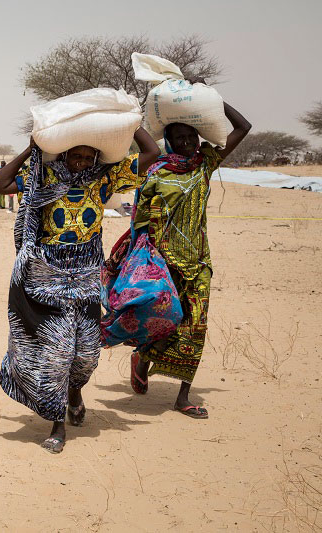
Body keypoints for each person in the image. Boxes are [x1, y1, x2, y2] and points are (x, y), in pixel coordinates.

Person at [0, 127, 160, 454]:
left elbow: (151, 154)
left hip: (86, 274)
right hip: (47, 273)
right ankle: (57, 424)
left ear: (95, 157)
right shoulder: (44, 177)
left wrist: (131, 124)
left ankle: (74, 392)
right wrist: (31, 150)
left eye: (88, 156)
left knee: (86, 355)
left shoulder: (105, 179)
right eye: (76, 155)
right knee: (57, 352)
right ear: (64, 154)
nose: (82, 162)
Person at [131, 84, 251, 419]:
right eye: (179, 138)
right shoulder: (156, 172)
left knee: (195, 327)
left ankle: (183, 397)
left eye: (191, 136)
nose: (186, 143)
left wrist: (212, 99)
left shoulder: (205, 164)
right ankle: (142, 357)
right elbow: (140, 220)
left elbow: (243, 128)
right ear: (169, 141)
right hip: (163, 263)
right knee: (163, 322)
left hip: (199, 261)